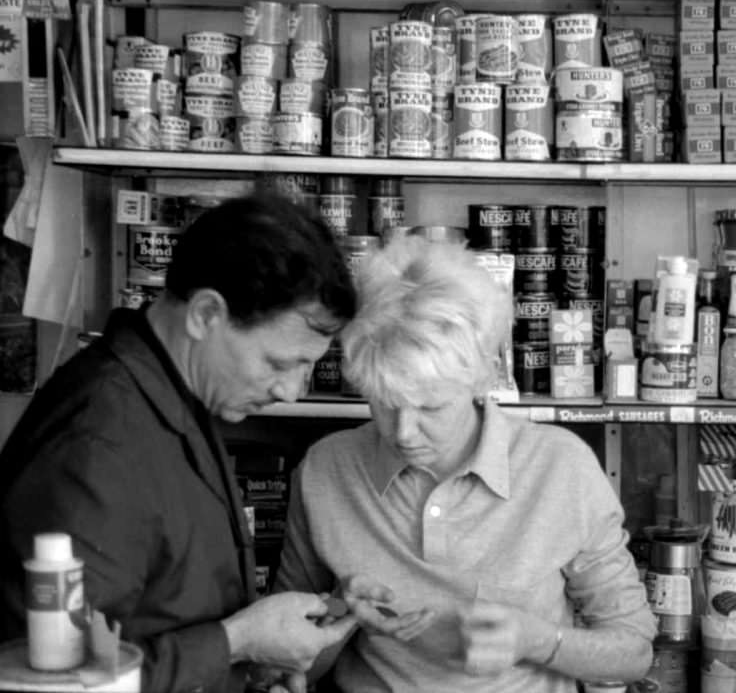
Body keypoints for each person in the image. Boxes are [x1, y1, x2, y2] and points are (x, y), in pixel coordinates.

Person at [0, 193, 365, 693]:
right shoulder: (100, 442)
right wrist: (237, 642)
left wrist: (247, 663)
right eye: (280, 364)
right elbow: (58, 681)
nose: (290, 391)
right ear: (205, 314)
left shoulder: (175, 393)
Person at [275, 234, 656, 692]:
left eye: (431, 407)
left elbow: (633, 653)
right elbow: (284, 669)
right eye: (385, 402)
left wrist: (537, 641)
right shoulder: (324, 470)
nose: (402, 433)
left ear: (484, 378)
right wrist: (339, 611)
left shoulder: (562, 467)